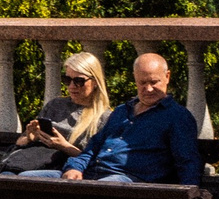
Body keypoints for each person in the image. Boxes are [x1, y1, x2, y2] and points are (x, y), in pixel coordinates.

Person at [37, 52, 201, 185]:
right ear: (135, 79)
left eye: (154, 82)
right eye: (142, 82)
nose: (148, 89)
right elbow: (92, 148)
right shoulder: (122, 111)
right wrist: (74, 168)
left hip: (129, 182)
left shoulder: (177, 117)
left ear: (167, 76)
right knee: (24, 180)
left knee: (102, 188)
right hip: (93, 175)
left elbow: (188, 162)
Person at [0, 51, 111, 173]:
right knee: (6, 176)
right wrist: (30, 137)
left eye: (79, 81)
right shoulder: (55, 105)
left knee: (24, 177)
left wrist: (64, 146)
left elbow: (97, 161)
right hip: (33, 162)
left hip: (65, 169)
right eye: (67, 80)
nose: (72, 86)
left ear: (95, 82)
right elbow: (19, 143)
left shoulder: (104, 118)